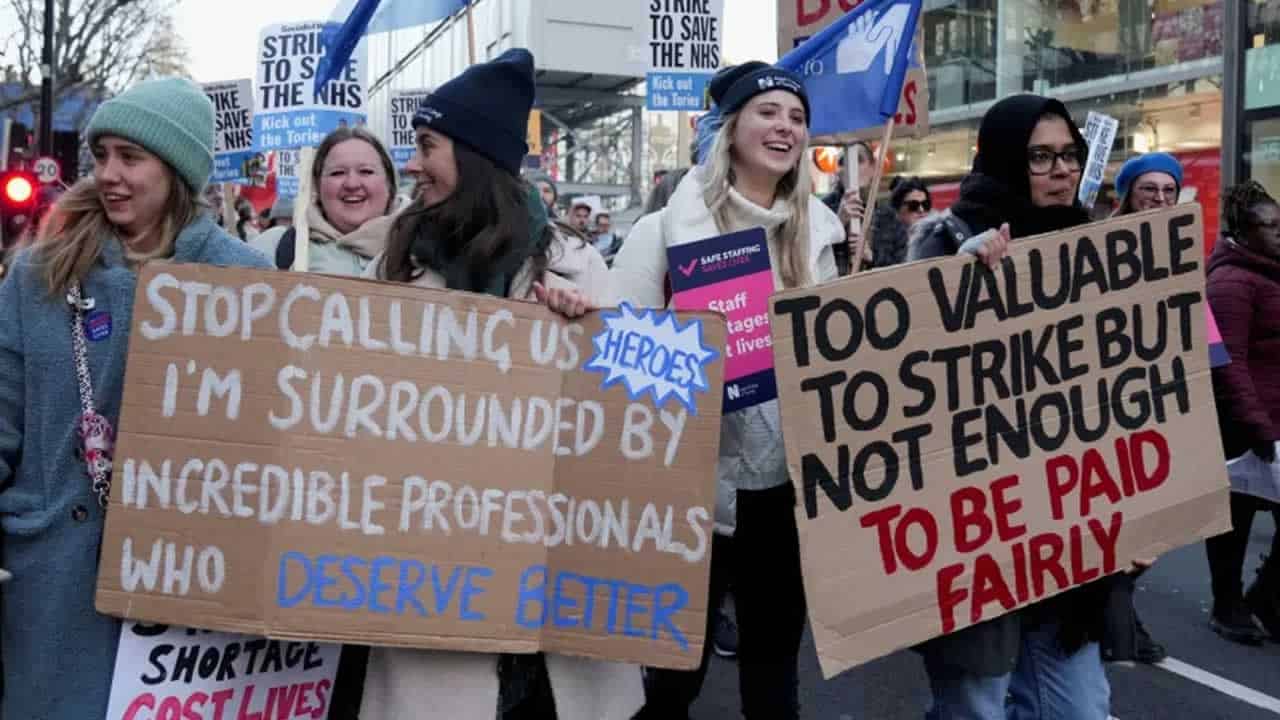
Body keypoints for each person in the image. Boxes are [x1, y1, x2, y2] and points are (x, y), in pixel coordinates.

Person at [360, 48, 638, 720]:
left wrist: (594, 336)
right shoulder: (392, 264)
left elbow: (640, 425)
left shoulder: (576, 265)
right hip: (433, 591)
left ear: (475, 153)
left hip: (553, 612)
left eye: (428, 145)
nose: (414, 163)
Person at [0, 77, 271, 720]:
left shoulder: (245, 281)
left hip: (185, 592)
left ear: (175, 170)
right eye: (101, 157)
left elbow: (271, 441)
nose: (109, 175)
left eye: (131, 157)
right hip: (54, 584)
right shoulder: (39, 273)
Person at [613, 60, 840, 720]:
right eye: (769, 112)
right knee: (671, 683)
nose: (786, 127)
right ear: (732, 126)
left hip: (787, 495)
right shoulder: (661, 234)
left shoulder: (822, 239)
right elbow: (623, 368)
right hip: (690, 491)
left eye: (797, 118)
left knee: (774, 679)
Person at [908, 94, 1116, 720]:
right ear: (1003, 160)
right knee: (977, 706)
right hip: (976, 529)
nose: (1061, 171)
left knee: (1080, 710)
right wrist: (955, 284)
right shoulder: (946, 239)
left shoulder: (1097, 245)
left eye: (1070, 156)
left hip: (1071, 519)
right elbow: (907, 379)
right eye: (1041, 157)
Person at [1098, 151, 1186, 665]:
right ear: (1127, 196)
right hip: (1109, 408)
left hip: (1162, 404)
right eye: (1148, 190)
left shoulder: (1183, 251)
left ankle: (1117, 615)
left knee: (1153, 526)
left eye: (1168, 190)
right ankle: (1115, 620)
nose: (1159, 199)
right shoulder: (1099, 249)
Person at [1204, 180, 1280, 645]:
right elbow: (1224, 360)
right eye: (1270, 225)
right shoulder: (1228, 282)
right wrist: (1256, 425)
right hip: (1244, 423)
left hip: (1273, 417)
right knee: (1234, 523)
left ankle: (1265, 598)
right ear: (1243, 229)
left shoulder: (1270, 273)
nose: (1279, 232)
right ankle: (1228, 605)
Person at [258, 127, 399, 274]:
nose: (352, 184)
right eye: (337, 173)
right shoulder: (273, 248)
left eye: (366, 171)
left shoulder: (420, 249)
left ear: (389, 182)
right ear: (317, 186)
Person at [822, 141, 875, 275]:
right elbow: (808, 259)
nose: (850, 167)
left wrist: (871, 258)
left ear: (872, 168)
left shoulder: (888, 216)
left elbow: (901, 269)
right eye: (841, 162)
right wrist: (837, 223)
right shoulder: (820, 210)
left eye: (859, 160)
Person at [1113, 151, 1182, 216]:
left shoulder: (1189, 227)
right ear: (1129, 194)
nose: (1160, 198)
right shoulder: (1107, 228)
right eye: (1149, 188)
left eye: (1169, 189)